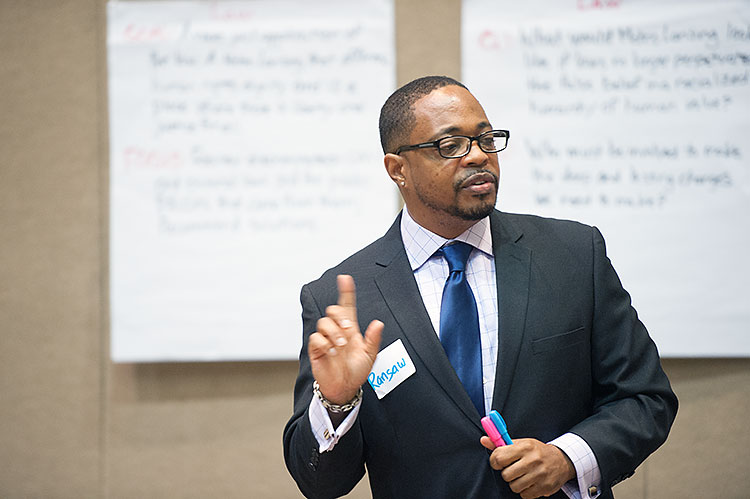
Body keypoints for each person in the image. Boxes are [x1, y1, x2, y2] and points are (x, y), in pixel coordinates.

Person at [283, 76, 677, 499]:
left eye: (486, 139)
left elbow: (645, 399)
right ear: (398, 169)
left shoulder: (574, 256)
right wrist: (337, 401)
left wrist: (569, 458)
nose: (477, 156)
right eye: (450, 145)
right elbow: (320, 483)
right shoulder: (342, 299)